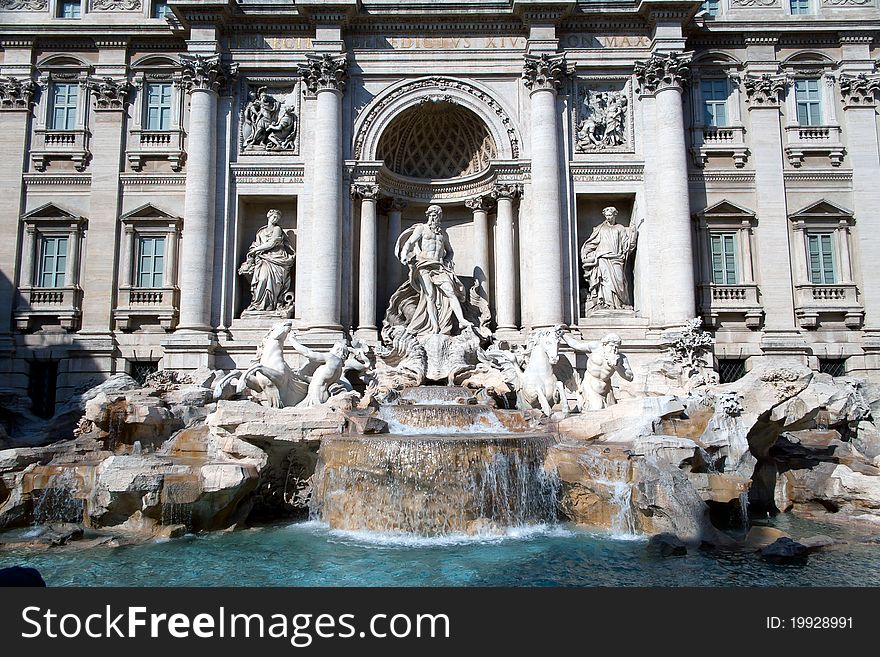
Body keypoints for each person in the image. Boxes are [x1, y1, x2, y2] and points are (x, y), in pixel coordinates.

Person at [393, 204, 472, 336]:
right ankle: (434, 326)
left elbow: (450, 252)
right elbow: (410, 243)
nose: (434, 217)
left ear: (440, 217)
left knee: (451, 291)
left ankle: (462, 320)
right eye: (432, 215)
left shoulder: (443, 234)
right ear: (428, 215)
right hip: (424, 264)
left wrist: (447, 261)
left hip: (439, 267)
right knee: (430, 296)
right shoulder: (422, 229)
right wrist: (403, 255)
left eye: (436, 215)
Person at [580, 206, 640, 311]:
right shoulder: (600, 228)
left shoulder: (620, 228)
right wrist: (586, 252)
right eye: (606, 215)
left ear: (615, 215)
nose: (608, 218)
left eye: (610, 215)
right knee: (605, 281)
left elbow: (627, 245)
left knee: (619, 280)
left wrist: (633, 234)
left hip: (617, 259)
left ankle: (620, 304)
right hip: (602, 257)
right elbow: (592, 243)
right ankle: (608, 304)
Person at [238, 209, 296, 312]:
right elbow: (256, 244)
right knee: (262, 279)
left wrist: (256, 249)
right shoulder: (261, 231)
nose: (275, 219)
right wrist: (253, 251)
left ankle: (270, 306)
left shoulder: (277, 229)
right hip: (263, 259)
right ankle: (257, 304)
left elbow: (272, 243)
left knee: (274, 283)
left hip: (277, 258)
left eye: (277, 218)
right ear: (268, 216)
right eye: (274, 217)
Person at [562, 332, 634, 411]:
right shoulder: (595, 347)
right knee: (597, 408)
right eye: (611, 346)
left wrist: (617, 366)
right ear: (605, 344)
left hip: (606, 388)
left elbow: (630, 377)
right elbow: (576, 345)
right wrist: (563, 335)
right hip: (589, 383)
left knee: (611, 411)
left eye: (616, 347)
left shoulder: (620, 358)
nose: (614, 349)